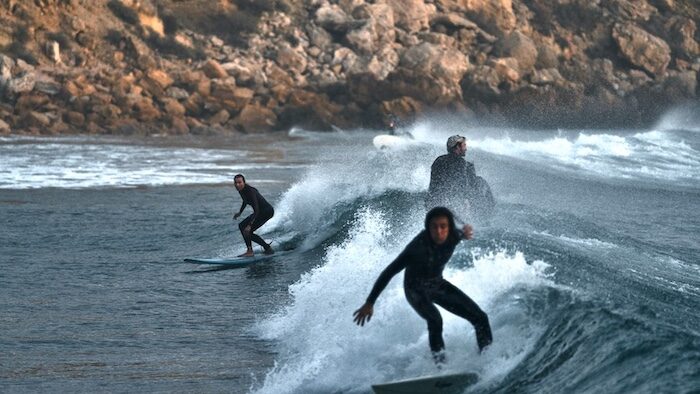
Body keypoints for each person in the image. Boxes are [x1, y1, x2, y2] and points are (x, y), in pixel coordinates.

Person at [353, 207, 492, 364]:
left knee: (480, 318)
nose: (439, 232)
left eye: (443, 226)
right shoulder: (416, 249)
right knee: (435, 320)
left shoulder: (454, 235)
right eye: (434, 227)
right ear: (428, 228)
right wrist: (370, 302)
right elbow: (389, 272)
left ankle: (486, 358)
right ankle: (441, 367)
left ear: (450, 227)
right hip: (415, 289)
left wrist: (465, 233)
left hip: (437, 284)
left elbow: (462, 231)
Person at [426, 135, 494, 220]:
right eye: (464, 145)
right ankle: (487, 215)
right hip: (450, 207)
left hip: (431, 204)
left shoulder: (438, 160)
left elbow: (435, 184)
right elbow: (464, 185)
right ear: (458, 147)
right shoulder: (463, 164)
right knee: (480, 181)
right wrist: (467, 202)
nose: (466, 149)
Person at [233, 174, 274, 257]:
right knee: (241, 226)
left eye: (240, 182)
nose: (237, 185)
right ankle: (263, 248)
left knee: (248, 231)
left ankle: (255, 250)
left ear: (244, 182)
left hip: (266, 211)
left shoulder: (250, 191)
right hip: (260, 212)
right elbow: (245, 201)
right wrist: (240, 212)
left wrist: (249, 225)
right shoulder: (241, 190)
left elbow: (256, 210)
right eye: (236, 183)